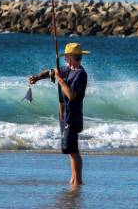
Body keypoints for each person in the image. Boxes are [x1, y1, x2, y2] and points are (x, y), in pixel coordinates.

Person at [28, 42, 90, 186]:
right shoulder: (67, 70)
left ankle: (78, 181)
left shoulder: (81, 74)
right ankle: (73, 179)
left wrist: (60, 79)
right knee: (70, 150)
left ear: (69, 57)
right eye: (78, 56)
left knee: (73, 151)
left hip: (73, 116)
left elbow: (71, 95)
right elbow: (50, 72)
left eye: (79, 57)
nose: (78, 59)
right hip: (64, 115)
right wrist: (36, 78)